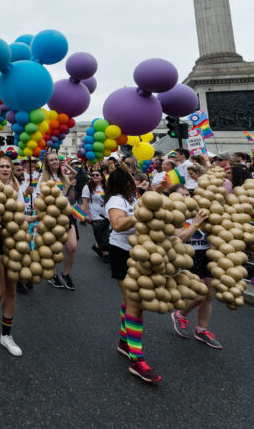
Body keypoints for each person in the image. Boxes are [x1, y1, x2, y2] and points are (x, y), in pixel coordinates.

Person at [106, 165, 161, 384]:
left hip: (138, 252)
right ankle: (137, 361)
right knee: (135, 304)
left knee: (130, 301)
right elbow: (118, 225)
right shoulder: (116, 201)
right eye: (131, 178)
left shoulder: (132, 200)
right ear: (124, 183)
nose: (134, 181)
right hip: (121, 252)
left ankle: (123, 342)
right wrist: (141, 212)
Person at [0, 154, 35, 357]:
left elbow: (19, 215)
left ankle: (6, 335)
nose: (5, 169)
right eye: (1, 166)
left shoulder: (17, 190)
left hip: (13, 238)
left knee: (11, 291)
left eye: (8, 166)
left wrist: (36, 216)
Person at [169, 208, 218, 348]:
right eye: (183, 194)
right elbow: (180, 239)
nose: (187, 197)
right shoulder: (178, 215)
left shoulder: (207, 211)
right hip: (189, 255)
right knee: (199, 296)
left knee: (209, 295)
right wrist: (196, 223)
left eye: (188, 194)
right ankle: (180, 315)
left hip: (208, 255)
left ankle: (202, 330)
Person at [42, 152, 78, 290]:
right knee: (53, 247)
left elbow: (71, 198)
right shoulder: (43, 178)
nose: (55, 161)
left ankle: (66, 274)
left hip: (66, 214)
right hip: (51, 215)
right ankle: (53, 274)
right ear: (48, 163)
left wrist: (71, 187)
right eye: (52, 160)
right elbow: (40, 199)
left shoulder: (64, 177)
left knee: (72, 246)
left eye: (56, 159)